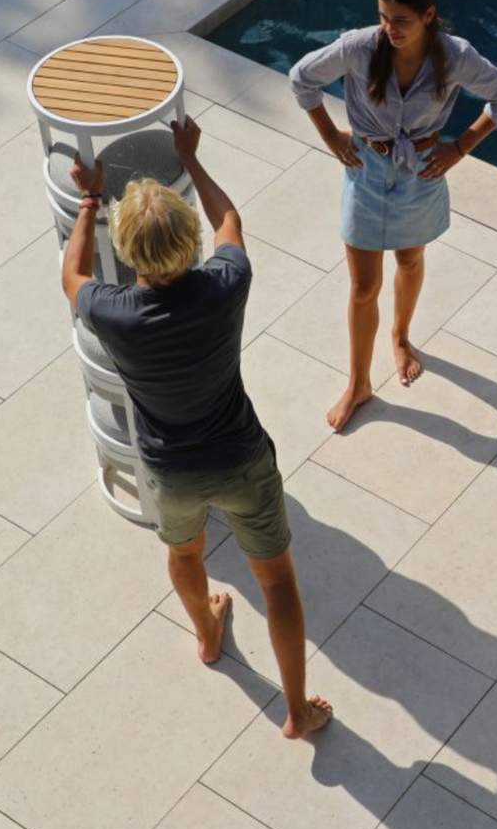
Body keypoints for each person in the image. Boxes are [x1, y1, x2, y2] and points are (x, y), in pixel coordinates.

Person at [61, 117, 332, 740]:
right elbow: (230, 221)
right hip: (241, 458)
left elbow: (71, 275)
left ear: (128, 253)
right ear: (188, 240)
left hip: (169, 469)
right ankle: (296, 711)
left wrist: (88, 199)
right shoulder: (224, 285)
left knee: (182, 552)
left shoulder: (113, 312)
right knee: (278, 580)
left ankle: (208, 635)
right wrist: (191, 158)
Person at [289, 0, 497, 431]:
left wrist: (460, 147)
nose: (389, 29)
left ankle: (400, 335)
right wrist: (331, 135)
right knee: (362, 287)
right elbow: (301, 78)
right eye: (383, 17)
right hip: (366, 169)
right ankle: (358, 382)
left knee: (410, 261)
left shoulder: (455, 57)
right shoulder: (359, 46)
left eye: (401, 20)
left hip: (422, 172)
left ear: (429, 15)